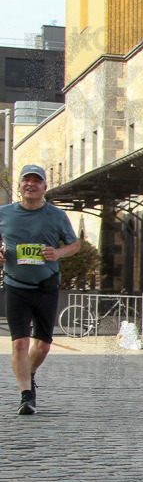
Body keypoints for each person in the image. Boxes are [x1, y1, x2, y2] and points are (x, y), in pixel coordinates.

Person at [0, 165, 81, 415]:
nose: (31, 185)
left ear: (45, 188)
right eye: (27, 180)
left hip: (46, 286)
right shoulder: (4, 213)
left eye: (37, 181)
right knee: (20, 343)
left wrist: (57, 253)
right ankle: (26, 395)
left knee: (43, 345)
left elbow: (75, 245)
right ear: (20, 186)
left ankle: (29, 373)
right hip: (15, 285)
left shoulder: (56, 215)